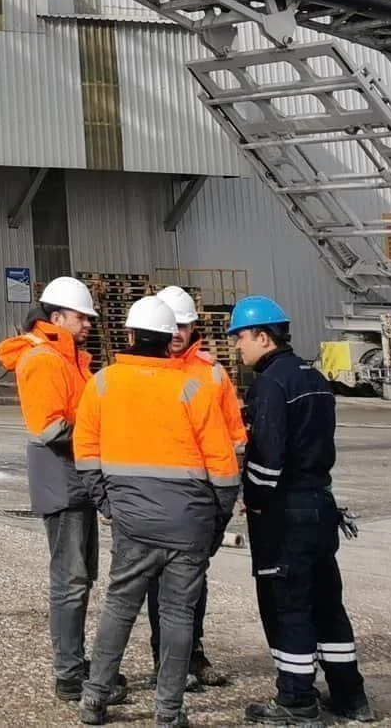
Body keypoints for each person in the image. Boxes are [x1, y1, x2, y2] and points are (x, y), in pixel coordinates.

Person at [73, 295, 241, 727]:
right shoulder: (194, 389)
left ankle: (94, 700)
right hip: (189, 523)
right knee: (178, 615)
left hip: (132, 521)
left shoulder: (104, 383)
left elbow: (86, 452)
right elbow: (223, 466)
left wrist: (107, 502)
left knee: (119, 607)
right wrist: (216, 520)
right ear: (171, 342)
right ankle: (168, 712)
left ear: (128, 336)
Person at [230, 295, 373, 724]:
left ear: (263, 336)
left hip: (285, 512)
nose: (238, 346)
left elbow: (268, 460)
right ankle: (351, 696)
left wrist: (251, 500)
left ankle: (295, 700)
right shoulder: (313, 376)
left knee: (288, 604)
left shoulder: (272, 384)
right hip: (320, 504)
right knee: (327, 602)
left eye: (241, 338)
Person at [0, 275, 107, 703]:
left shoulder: (70, 358)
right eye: (82, 317)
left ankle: (74, 663)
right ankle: (69, 675)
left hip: (75, 477)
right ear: (57, 317)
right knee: (70, 579)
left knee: (80, 577)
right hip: (63, 478)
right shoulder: (45, 359)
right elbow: (51, 429)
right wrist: (102, 437)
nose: (88, 324)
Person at [143, 284, 246, 693]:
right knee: (156, 581)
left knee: (194, 581)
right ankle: (163, 660)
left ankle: (192, 653)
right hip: (156, 494)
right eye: (171, 325)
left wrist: (229, 490)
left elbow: (234, 435)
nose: (177, 333)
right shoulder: (143, 371)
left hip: (200, 495)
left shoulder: (212, 373)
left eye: (184, 325)